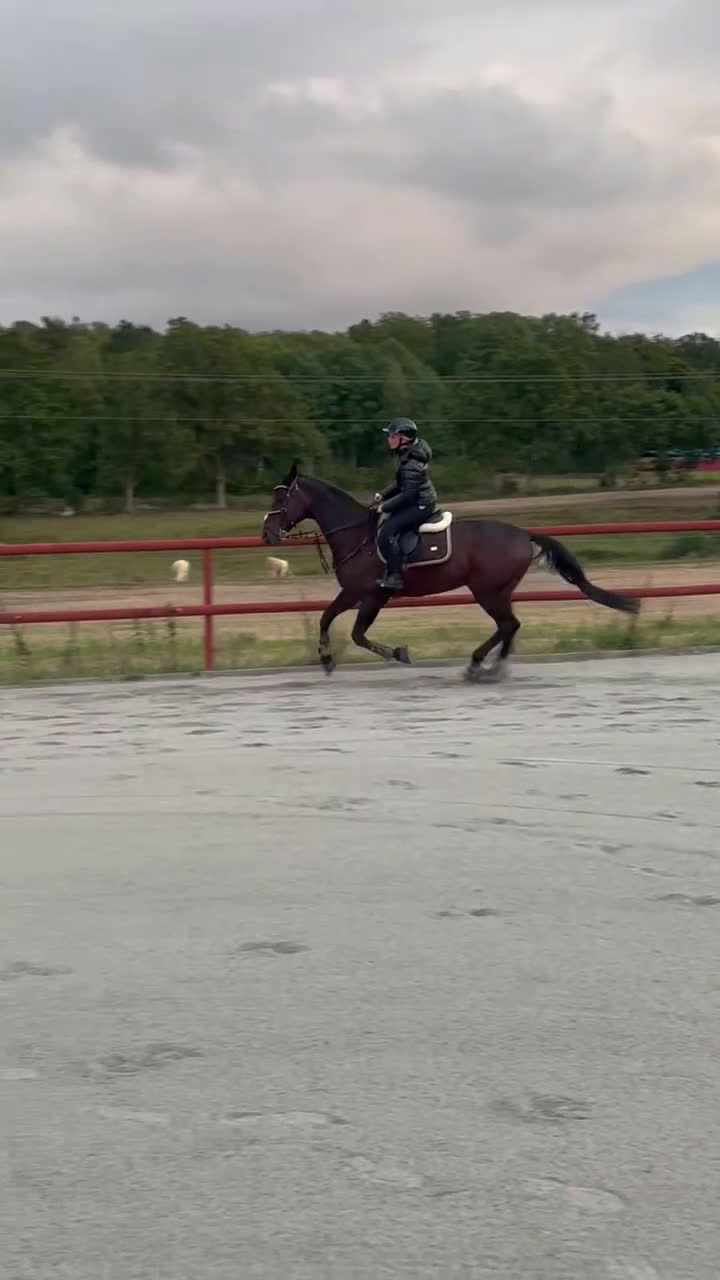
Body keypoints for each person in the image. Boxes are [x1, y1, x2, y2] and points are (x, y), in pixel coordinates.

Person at [374, 418, 438, 591]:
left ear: (404, 439)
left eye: (392, 436)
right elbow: (402, 483)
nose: (389, 439)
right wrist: (383, 495)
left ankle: (394, 577)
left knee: (387, 532)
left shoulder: (411, 463)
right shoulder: (408, 455)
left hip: (421, 504)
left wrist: (385, 506)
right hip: (417, 499)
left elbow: (408, 495)